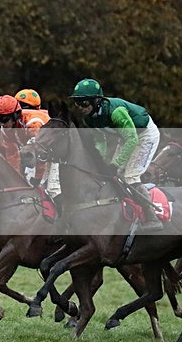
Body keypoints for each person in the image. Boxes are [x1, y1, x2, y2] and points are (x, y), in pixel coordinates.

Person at [69, 78, 163, 231]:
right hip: (125, 137)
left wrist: (116, 163)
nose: (80, 107)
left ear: (97, 100)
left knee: (131, 176)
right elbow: (100, 141)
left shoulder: (116, 112)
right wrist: (102, 161)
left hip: (145, 136)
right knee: (116, 174)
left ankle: (152, 217)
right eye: (77, 102)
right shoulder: (89, 119)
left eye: (84, 103)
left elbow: (132, 139)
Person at [0, 95, 51, 185]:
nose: (2, 123)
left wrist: (38, 179)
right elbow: (12, 156)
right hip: (37, 151)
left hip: (54, 150)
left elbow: (42, 155)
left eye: (4, 119)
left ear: (16, 115)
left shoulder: (33, 123)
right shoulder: (5, 130)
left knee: (52, 189)